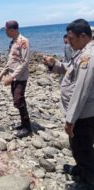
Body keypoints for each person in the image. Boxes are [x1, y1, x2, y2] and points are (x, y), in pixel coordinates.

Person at [43, 19, 94, 186]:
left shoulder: (88, 56)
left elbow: (81, 91)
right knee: (79, 145)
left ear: (83, 36)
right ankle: (81, 168)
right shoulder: (80, 51)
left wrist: (70, 120)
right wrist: (54, 65)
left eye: (71, 38)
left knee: (82, 147)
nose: (68, 41)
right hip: (81, 113)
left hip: (83, 115)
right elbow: (69, 69)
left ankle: (89, 179)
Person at [0, 20, 31, 138]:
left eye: (6, 30)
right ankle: (23, 123)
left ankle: (27, 127)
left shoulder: (23, 41)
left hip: (20, 77)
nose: (5, 32)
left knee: (18, 100)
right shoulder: (12, 42)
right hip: (13, 76)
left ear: (12, 30)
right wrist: (1, 74)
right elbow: (11, 61)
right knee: (17, 101)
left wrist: (12, 76)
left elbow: (24, 62)